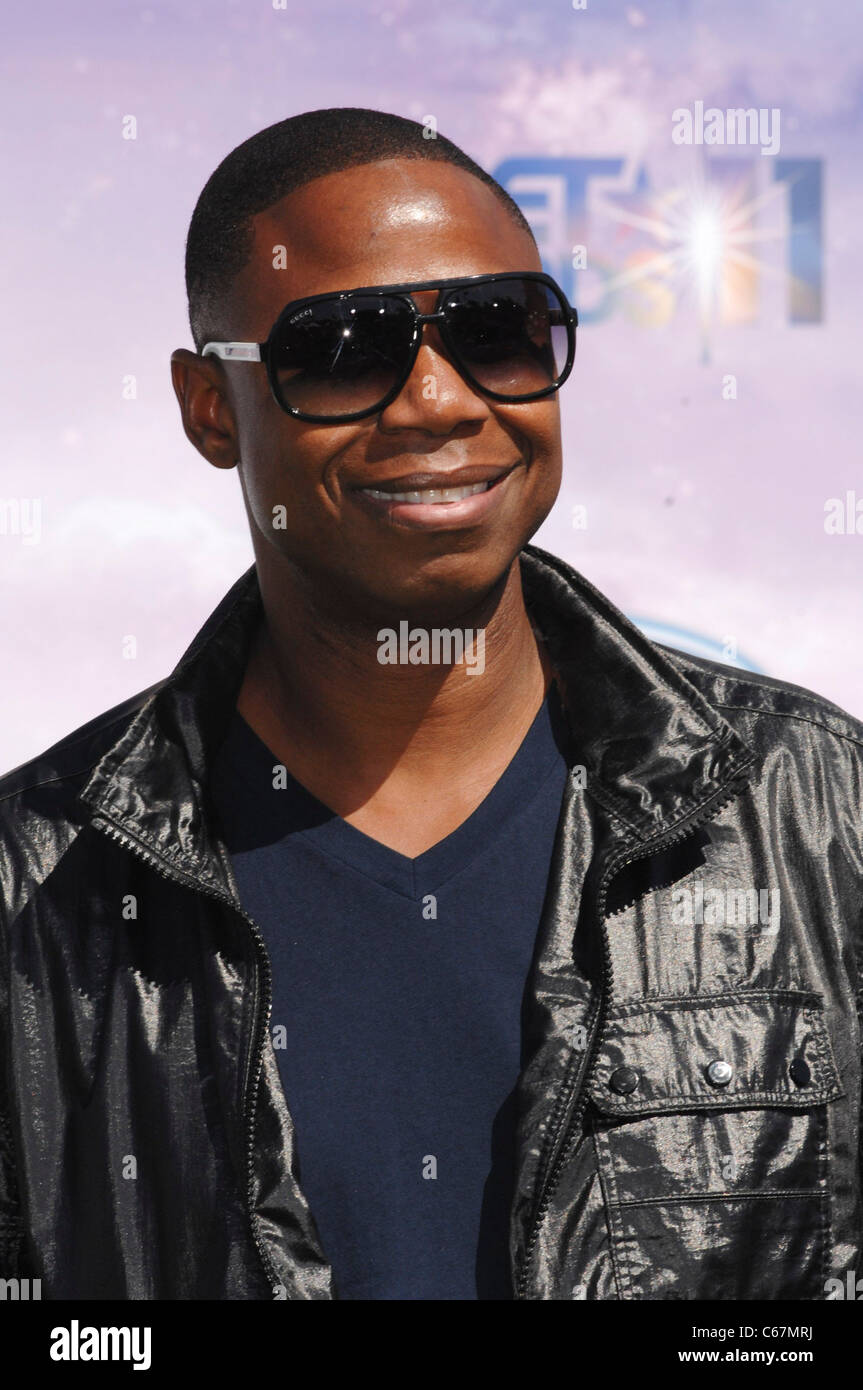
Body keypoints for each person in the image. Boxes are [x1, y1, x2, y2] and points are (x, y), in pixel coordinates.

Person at [0, 107, 860, 1302]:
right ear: (209, 408)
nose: (439, 402)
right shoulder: (40, 887)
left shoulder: (817, 811)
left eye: (495, 332)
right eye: (343, 347)